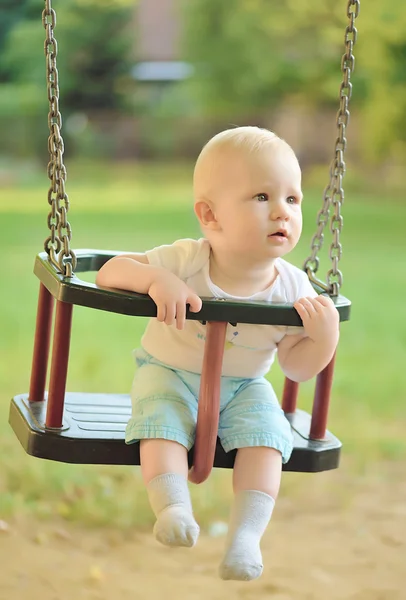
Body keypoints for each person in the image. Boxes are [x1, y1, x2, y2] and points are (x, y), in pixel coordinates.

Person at [96, 126, 339, 581]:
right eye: (263, 197)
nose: (282, 212)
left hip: (246, 386)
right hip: (169, 372)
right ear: (210, 215)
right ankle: (171, 509)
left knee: (268, 438)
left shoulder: (292, 287)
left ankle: (246, 538)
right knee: (160, 424)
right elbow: (111, 272)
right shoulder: (187, 259)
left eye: (293, 199)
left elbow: (295, 365)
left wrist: (323, 339)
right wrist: (155, 280)